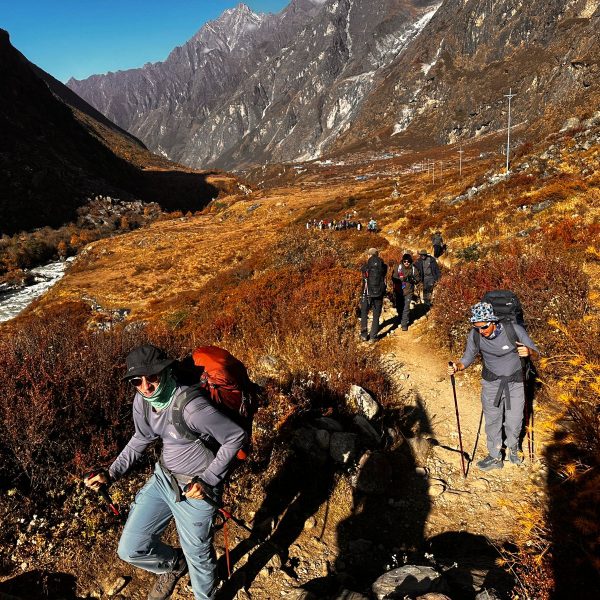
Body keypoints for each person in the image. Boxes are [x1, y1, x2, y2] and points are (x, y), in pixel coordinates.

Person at [84, 344, 247, 600]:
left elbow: (235, 436)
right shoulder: (144, 401)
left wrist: (208, 480)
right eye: (137, 381)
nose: (146, 386)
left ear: (167, 372)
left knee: (199, 558)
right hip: (163, 479)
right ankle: (175, 565)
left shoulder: (192, 408)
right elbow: (141, 437)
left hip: (196, 491)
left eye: (153, 377)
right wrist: (111, 473)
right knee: (130, 549)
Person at [447, 303, 539, 471]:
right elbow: (468, 357)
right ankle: (495, 456)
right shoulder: (475, 335)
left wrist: (528, 352)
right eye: (477, 327)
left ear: (493, 321)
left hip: (515, 382)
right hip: (491, 383)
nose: (481, 331)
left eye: (484, 327)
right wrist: (458, 366)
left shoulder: (514, 330)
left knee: (514, 420)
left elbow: (535, 351)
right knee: (493, 421)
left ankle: (513, 448)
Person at [360, 248, 387, 342]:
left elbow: (363, 274)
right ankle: (373, 336)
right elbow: (385, 272)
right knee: (376, 315)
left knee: (364, 313)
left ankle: (363, 335)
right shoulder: (383, 266)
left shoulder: (365, 267)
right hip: (378, 293)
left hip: (366, 293)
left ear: (369, 255)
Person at [391, 253, 420, 331]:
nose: (406, 263)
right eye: (405, 261)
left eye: (408, 261)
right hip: (399, 291)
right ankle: (400, 317)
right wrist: (402, 279)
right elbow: (393, 278)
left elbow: (418, 279)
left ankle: (404, 324)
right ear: (402, 261)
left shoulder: (414, 269)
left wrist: (412, 279)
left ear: (410, 261)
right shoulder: (398, 267)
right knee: (399, 307)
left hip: (409, 291)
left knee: (406, 308)